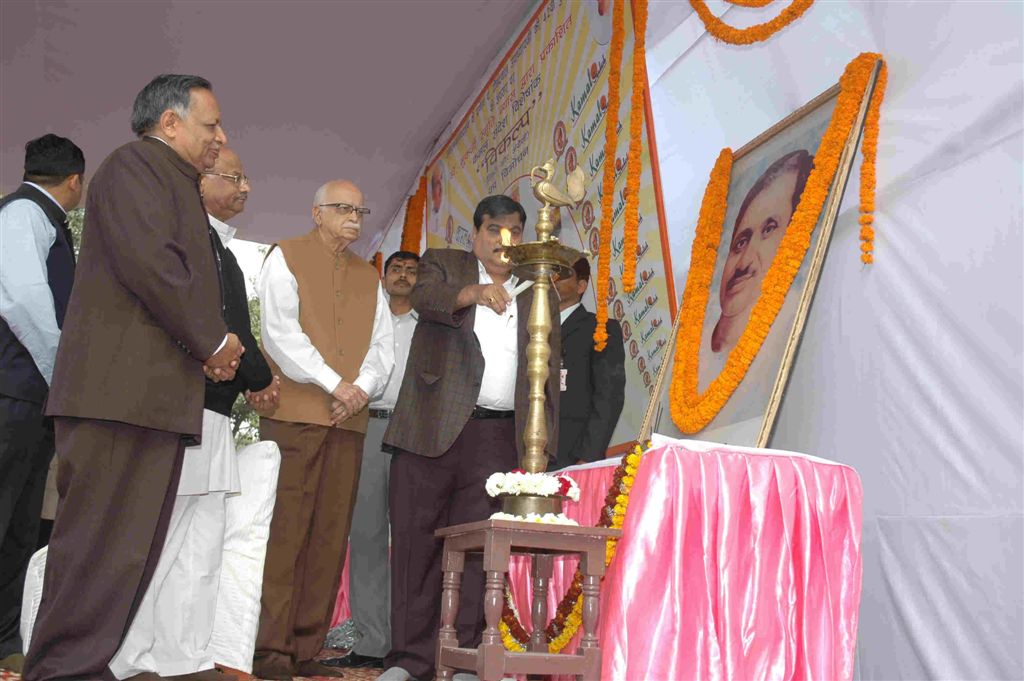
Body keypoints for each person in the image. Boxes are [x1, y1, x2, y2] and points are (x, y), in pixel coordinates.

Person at [23, 74, 243, 681]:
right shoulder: (134, 167)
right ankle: (60, 670)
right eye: (211, 125)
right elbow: (154, 266)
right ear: (169, 124)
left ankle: (81, 666)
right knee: (95, 548)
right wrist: (214, 341)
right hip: (117, 397)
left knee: (123, 555)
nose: (220, 139)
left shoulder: (171, 181)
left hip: (148, 401)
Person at [107, 147, 280, 680]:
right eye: (233, 175)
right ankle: (128, 657)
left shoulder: (221, 247)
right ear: (198, 182)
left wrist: (255, 375)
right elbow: (209, 323)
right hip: (182, 408)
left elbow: (238, 330)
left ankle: (184, 657)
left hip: (214, 417)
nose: (245, 187)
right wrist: (260, 380)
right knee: (161, 542)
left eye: (247, 176)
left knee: (199, 546)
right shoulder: (183, 237)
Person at [380, 195, 560, 681]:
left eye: (515, 231)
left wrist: (542, 452)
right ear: (476, 234)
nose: (506, 241)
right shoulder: (446, 264)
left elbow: (547, 382)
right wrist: (473, 295)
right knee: (418, 545)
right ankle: (409, 660)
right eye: (495, 230)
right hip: (430, 431)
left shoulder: (538, 287)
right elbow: (425, 298)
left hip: (497, 439)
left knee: (479, 552)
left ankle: (462, 659)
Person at [254, 179, 394, 679]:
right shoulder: (285, 257)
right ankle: (269, 651)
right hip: (294, 418)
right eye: (343, 208)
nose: (355, 218)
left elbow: (384, 349)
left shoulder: (369, 277)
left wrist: (360, 390)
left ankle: (308, 651)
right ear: (316, 213)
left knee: (331, 536)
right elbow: (279, 333)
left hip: (349, 424)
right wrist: (338, 384)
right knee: (284, 535)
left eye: (360, 209)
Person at [0, 134, 84, 674]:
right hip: (12, 394)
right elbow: (23, 300)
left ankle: (5, 635)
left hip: (28, 399)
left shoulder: (41, 217)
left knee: (18, 524)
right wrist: (63, 378)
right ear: (76, 181)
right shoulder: (25, 213)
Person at [337, 250, 420, 670]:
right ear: (384, 277)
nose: (403, 276)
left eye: (411, 271)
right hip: (367, 425)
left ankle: (409, 645)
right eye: (397, 270)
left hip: (412, 433)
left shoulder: (431, 328)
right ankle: (371, 642)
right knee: (366, 535)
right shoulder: (364, 321)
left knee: (411, 538)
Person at [709, 149, 814, 355]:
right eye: (740, 242)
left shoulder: (788, 332)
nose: (744, 262)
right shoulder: (697, 350)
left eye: (768, 230)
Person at [551, 257, 625, 470]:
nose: (552, 279)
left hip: (572, 454)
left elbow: (609, 397)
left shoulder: (601, 329)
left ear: (581, 286)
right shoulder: (532, 328)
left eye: (562, 274)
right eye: (550, 273)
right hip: (526, 452)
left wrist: (588, 458)